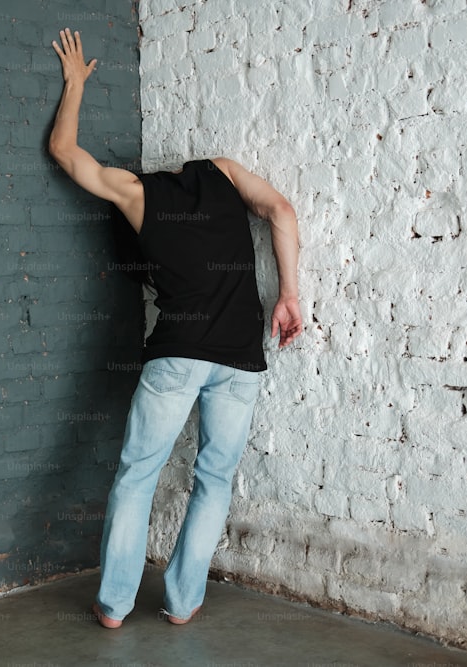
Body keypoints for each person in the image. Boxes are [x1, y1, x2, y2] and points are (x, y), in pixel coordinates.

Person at [49, 28, 302, 628]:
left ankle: (113, 606)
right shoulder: (225, 171)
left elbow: (64, 152)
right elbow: (282, 211)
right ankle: (183, 603)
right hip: (243, 356)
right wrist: (288, 294)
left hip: (178, 356)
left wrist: (76, 85)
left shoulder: (133, 194)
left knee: (139, 474)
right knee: (214, 479)